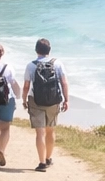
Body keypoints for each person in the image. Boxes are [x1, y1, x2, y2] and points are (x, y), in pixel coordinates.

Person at [22, 37, 69, 172]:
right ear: (49, 50)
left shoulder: (31, 65)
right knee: (50, 130)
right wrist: (66, 100)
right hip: (53, 101)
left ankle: (42, 163)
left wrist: (24, 100)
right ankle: (48, 158)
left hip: (35, 100)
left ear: (36, 50)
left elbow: (26, 86)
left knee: (40, 132)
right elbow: (64, 83)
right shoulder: (57, 64)